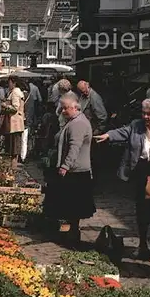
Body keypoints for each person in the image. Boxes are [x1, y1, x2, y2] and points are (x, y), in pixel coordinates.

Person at [95, 98, 150, 262]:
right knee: (141, 212)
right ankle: (142, 246)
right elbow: (123, 132)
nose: (146, 117)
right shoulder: (136, 126)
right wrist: (108, 135)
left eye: (149, 114)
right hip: (140, 173)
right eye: (144, 113)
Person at [43, 95, 95, 244]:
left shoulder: (78, 124)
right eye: (62, 107)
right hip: (74, 169)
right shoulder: (73, 121)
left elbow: (74, 147)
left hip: (75, 171)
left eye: (66, 108)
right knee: (68, 205)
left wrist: (65, 166)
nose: (63, 111)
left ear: (75, 107)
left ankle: (72, 235)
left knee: (72, 205)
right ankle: (69, 233)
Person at [2, 76, 25, 170]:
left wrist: (5, 105)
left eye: (9, 82)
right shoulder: (17, 92)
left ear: (14, 83)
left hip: (14, 124)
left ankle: (13, 168)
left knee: (14, 147)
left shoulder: (15, 92)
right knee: (14, 147)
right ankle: (13, 167)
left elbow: (15, 107)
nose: (8, 84)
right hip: (16, 123)